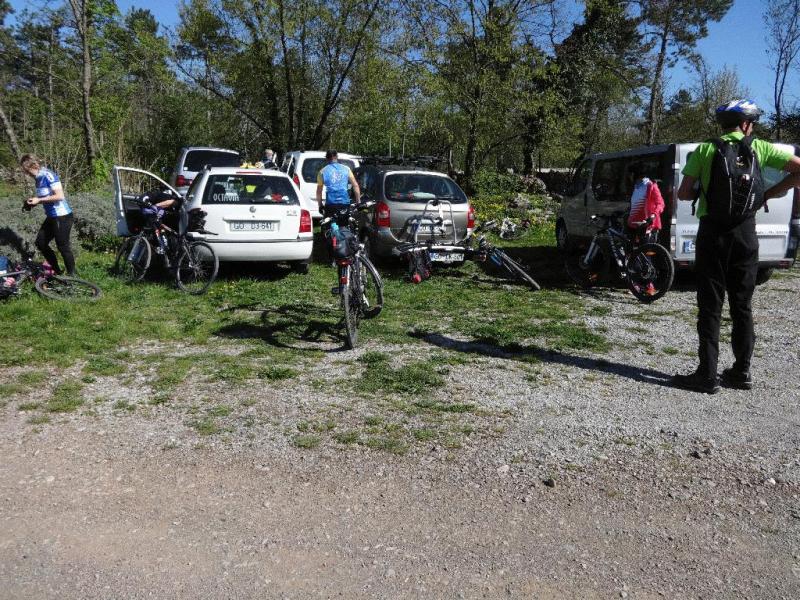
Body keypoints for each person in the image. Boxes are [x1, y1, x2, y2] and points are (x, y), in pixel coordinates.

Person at [671, 100, 800, 394]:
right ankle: (741, 372)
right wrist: (768, 193)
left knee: (710, 305)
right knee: (742, 305)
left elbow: (684, 192)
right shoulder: (761, 148)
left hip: (713, 234)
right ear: (746, 124)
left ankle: (707, 375)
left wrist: (704, 189)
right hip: (746, 233)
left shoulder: (706, 149)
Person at [20, 154, 76, 276]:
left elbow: (59, 196)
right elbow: (46, 197)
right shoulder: (38, 179)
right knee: (41, 243)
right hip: (52, 216)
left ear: (34, 165)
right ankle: (58, 272)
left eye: (28, 171)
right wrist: (33, 202)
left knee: (62, 246)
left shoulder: (48, 175)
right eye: (25, 171)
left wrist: (39, 200)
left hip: (62, 216)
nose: (27, 174)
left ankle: (73, 276)